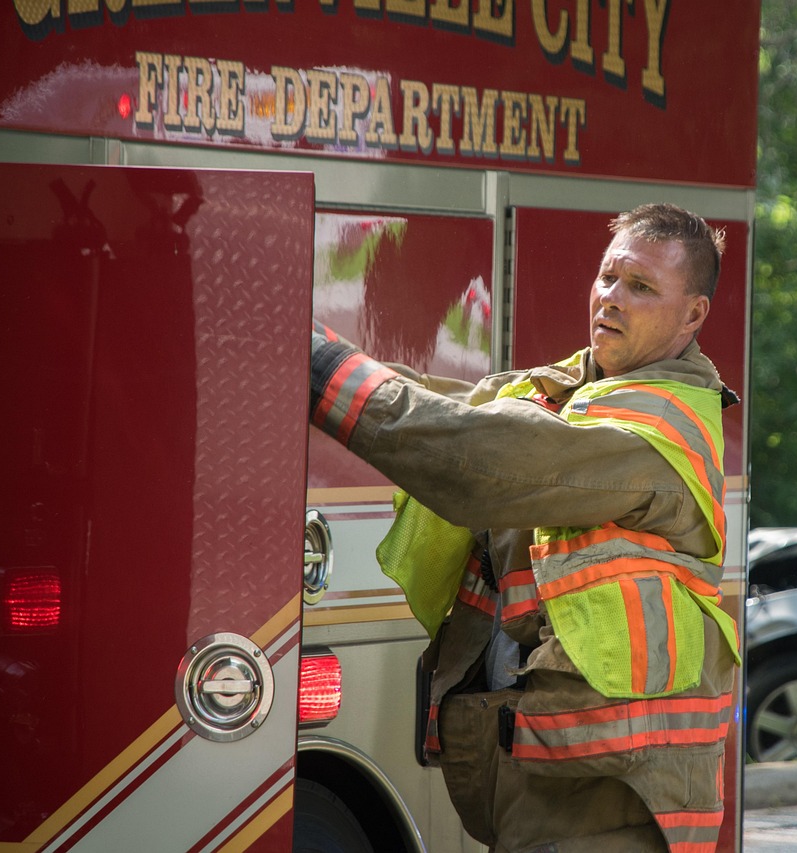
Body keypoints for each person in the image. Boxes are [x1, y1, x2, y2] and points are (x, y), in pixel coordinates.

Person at [309, 203, 740, 852]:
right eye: (608, 276)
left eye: (641, 286)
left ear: (693, 315)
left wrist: (317, 370)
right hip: (551, 784)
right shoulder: (571, 390)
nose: (612, 298)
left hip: (616, 801)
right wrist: (306, 345)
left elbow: (478, 458)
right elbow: (446, 409)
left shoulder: (656, 430)